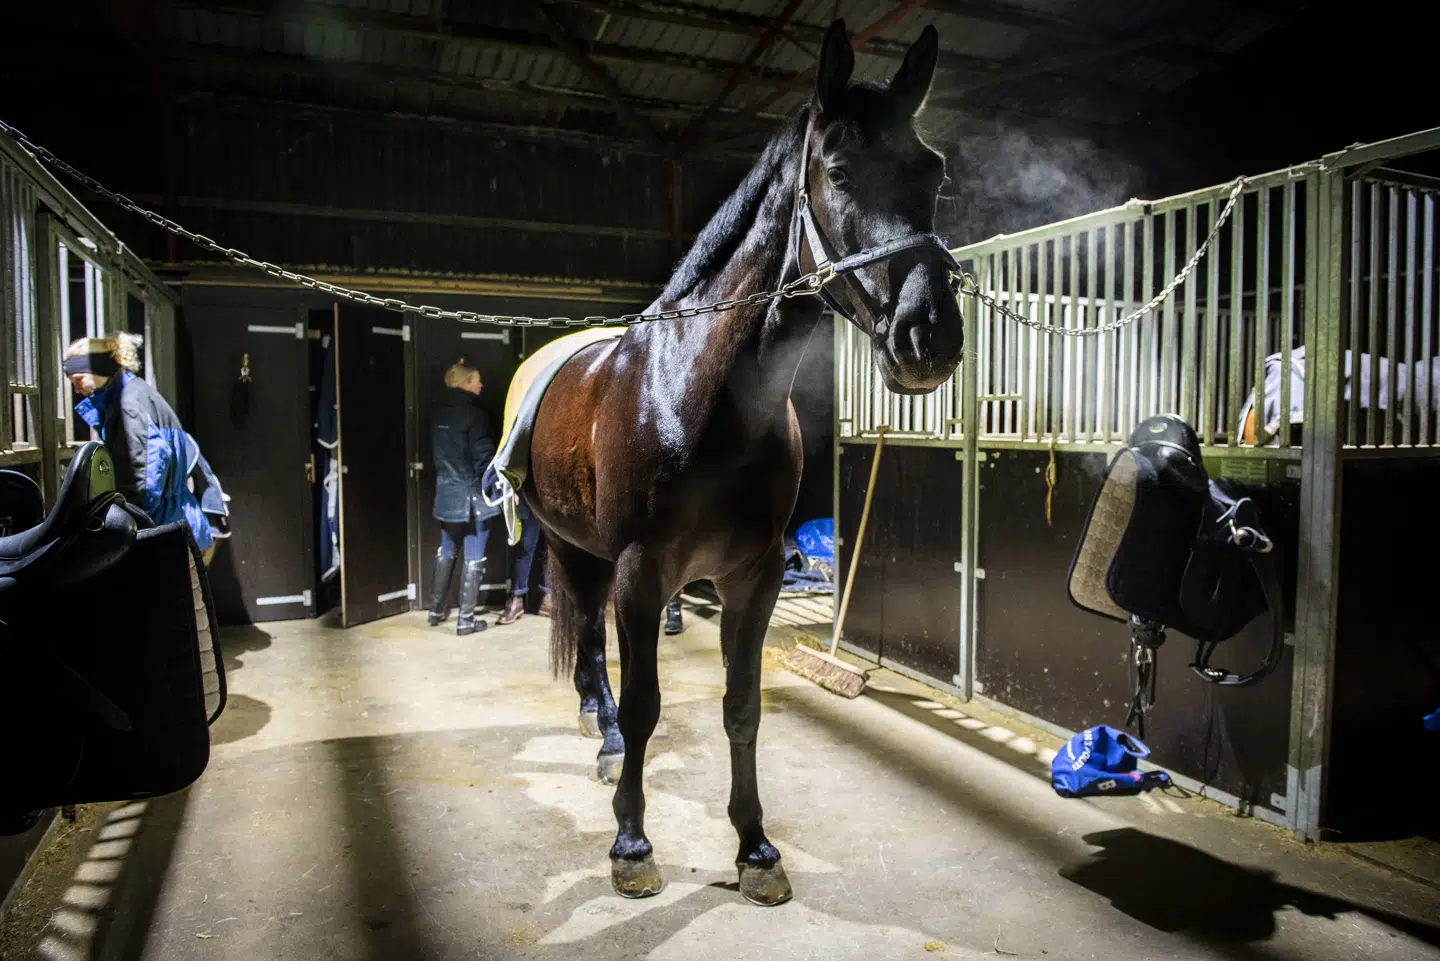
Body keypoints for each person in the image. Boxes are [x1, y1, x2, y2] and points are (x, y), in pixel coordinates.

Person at [64, 334, 216, 562]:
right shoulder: (136, 392)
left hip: (166, 532)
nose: (76, 390)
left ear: (99, 368)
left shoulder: (128, 404)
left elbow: (144, 479)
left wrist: (130, 528)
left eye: (78, 379)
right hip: (180, 525)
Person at [426, 360, 498, 636]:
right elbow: (483, 458)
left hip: (446, 494)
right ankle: (466, 620)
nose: (481, 385)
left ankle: (435, 611)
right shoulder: (475, 416)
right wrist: (498, 488)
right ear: (466, 384)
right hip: (473, 498)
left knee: (446, 550)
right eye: (477, 380)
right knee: (474, 556)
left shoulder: (437, 413)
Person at [495, 493, 551, 625]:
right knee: (524, 547)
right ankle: (517, 597)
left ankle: (547, 597)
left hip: (550, 499)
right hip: (529, 497)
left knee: (550, 548)